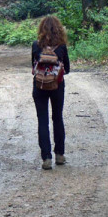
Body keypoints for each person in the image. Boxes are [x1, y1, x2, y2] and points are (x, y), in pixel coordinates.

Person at [31, 15, 70, 170]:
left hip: (39, 86)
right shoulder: (61, 47)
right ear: (58, 29)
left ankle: (46, 158)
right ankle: (59, 155)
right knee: (57, 118)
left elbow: (32, 68)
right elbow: (67, 69)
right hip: (57, 86)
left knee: (42, 120)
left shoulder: (35, 45)